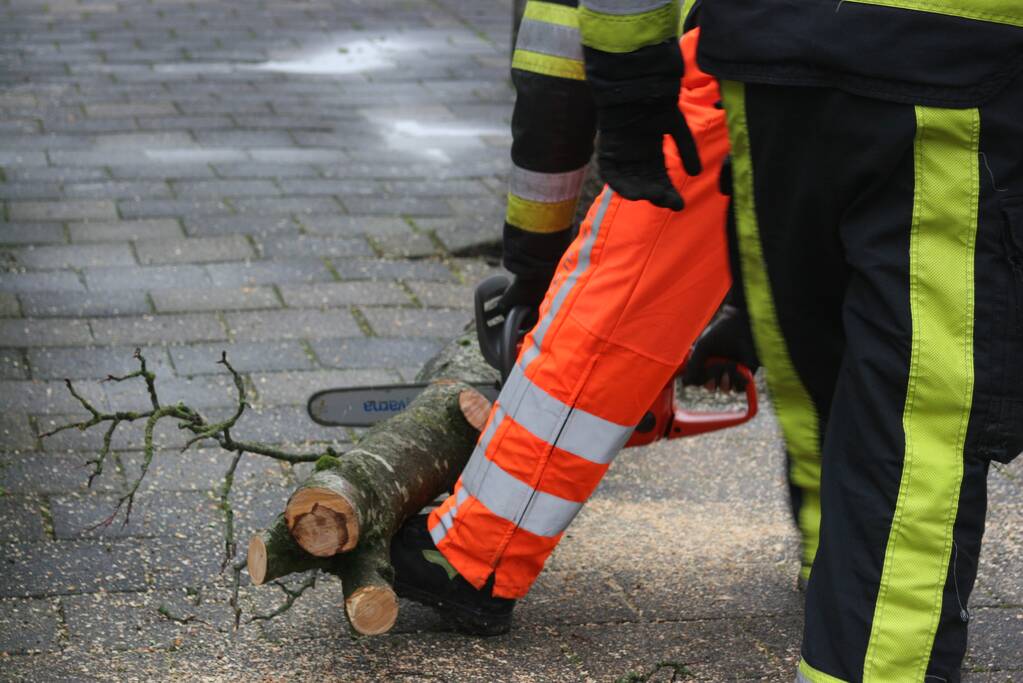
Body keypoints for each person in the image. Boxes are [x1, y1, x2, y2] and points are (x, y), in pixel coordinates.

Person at [504, 0, 1020, 679]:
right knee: (912, 424)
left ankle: (832, 577)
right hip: (950, 57)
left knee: (828, 382)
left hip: (763, 51)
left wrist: (628, 83)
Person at [389, 9, 744, 635]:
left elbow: (556, 98)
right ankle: (844, 558)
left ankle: (474, 557)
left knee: (618, 300)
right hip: (935, 69)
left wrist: (533, 264)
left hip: (749, 66)